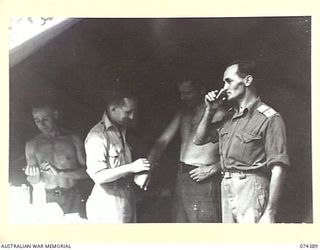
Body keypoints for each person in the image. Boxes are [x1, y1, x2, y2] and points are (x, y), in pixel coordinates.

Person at [193, 60, 289, 223]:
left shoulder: (269, 118)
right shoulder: (230, 117)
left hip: (251, 188)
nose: (223, 88)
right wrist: (210, 110)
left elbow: (279, 168)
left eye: (228, 81)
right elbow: (199, 139)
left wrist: (270, 212)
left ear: (247, 81)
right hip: (227, 186)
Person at [135, 78, 223, 223]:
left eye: (188, 93)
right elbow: (162, 142)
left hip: (202, 178)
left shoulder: (219, 114)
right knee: (180, 225)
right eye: (181, 93)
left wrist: (212, 169)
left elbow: (234, 154)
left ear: (201, 90)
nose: (183, 98)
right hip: (182, 176)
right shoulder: (183, 113)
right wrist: (147, 168)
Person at [84, 86, 150, 223]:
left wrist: (141, 171)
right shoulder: (97, 137)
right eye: (128, 112)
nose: (132, 116)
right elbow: (98, 176)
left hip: (127, 199)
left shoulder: (124, 129)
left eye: (134, 111)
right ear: (113, 108)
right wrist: (131, 167)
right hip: (108, 205)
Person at [24, 101, 89, 215]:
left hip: (73, 196)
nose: (42, 124)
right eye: (37, 121)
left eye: (45, 119)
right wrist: (33, 175)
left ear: (55, 115)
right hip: (47, 197)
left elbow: (88, 173)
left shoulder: (73, 139)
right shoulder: (32, 145)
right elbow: (34, 181)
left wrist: (60, 173)